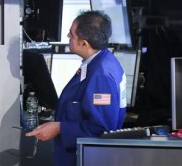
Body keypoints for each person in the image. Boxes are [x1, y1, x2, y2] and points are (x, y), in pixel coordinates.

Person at [26, 10, 126, 166]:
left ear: (84, 43)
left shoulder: (101, 75)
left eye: (71, 35)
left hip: (85, 159)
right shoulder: (101, 61)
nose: (67, 36)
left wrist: (59, 128)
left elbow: (102, 128)